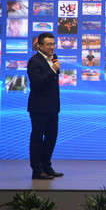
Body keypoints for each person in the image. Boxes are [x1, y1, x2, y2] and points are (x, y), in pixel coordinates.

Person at [28, 32, 63, 180]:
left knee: (51, 137)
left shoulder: (53, 59)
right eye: (49, 44)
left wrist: (53, 69)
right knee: (37, 139)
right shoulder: (34, 61)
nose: (52, 47)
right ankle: (37, 170)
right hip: (39, 107)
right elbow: (37, 82)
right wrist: (53, 70)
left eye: (53, 44)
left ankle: (47, 167)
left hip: (52, 107)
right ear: (40, 46)